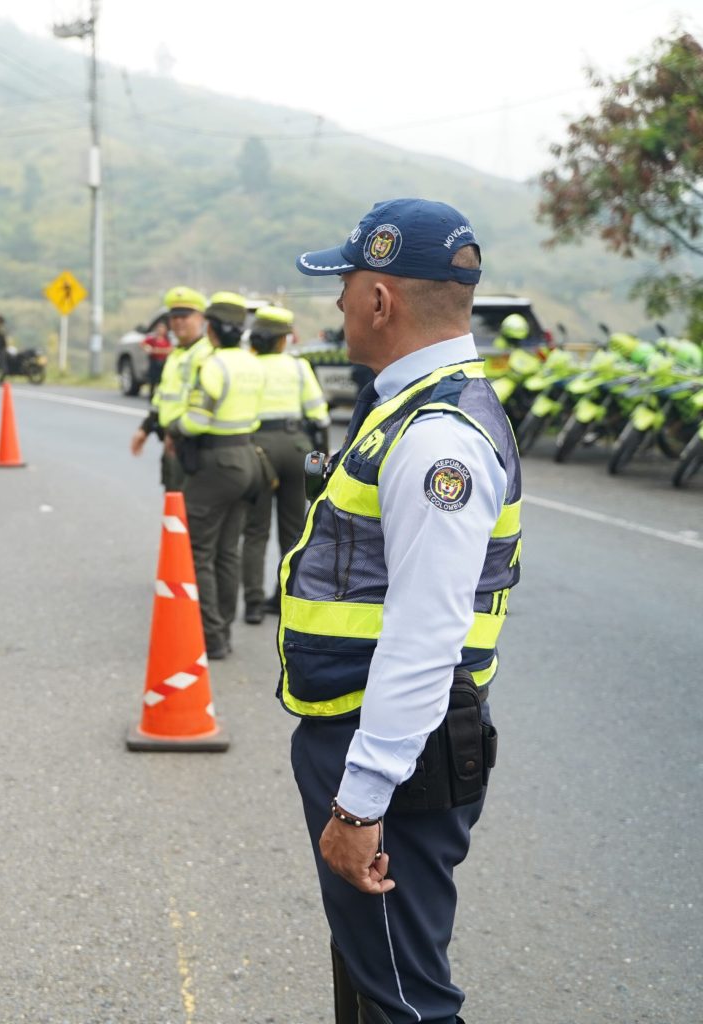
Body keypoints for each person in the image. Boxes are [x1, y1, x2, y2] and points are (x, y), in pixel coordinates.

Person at [284, 199, 521, 1024]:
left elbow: (426, 637)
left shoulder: (435, 438)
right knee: (370, 971)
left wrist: (360, 802)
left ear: (380, 300)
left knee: (405, 998)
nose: (338, 305)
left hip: (394, 757)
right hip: (376, 743)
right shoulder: (411, 408)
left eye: (345, 286)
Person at [168, 292, 264, 659]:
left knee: (199, 551)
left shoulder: (212, 366)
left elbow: (195, 421)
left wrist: (175, 425)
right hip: (248, 458)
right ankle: (222, 629)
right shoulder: (252, 363)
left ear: (210, 328)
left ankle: (210, 636)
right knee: (228, 551)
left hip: (217, 462)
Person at [241, 305, 329, 624]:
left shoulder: (247, 367)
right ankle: (284, 597)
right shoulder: (298, 366)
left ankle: (252, 603)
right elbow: (319, 415)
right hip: (295, 447)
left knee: (255, 529)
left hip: (257, 449)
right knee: (293, 530)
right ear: (283, 340)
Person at [130, 286, 207, 492]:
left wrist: (176, 432)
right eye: (174, 316)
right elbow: (162, 398)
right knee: (174, 509)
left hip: (194, 446)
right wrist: (145, 429)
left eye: (185, 315)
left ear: (201, 318)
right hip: (172, 445)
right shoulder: (175, 355)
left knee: (190, 512)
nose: (178, 321)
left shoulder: (206, 354)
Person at [142, 314, 173, 396]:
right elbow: (143, 344)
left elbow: (169, 350)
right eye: (159, 328)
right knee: (153, 381)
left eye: (162, 328)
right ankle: (151, 396)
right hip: (154, 362)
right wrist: (148, 349)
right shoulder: (153, 339)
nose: (160, 330)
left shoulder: (167, 340)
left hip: (163, 362)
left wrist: (157, 350)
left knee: (161, 381)